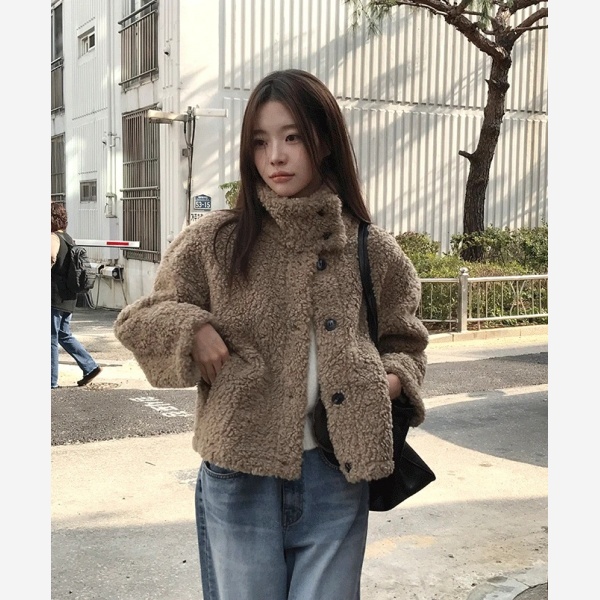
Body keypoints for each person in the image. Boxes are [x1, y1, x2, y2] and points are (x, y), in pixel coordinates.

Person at [114, 69, 429, 599]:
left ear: (324, 141)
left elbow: (407, 344)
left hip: (338, 471)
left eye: (292, 137)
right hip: (239, 474)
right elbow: (139, 318)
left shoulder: (372, 248)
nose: (275, 156)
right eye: (260, 142)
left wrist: (386, 382)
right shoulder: (218, 239)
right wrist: (192, 328)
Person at [51, 202, 102, 389]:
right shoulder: (68, 238)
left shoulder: (52, 237)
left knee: (50, 338)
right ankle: (90, 366)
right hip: (69, 296)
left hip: (54, 296)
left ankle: (50, 380)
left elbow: (51, 258)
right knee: (64, 334)